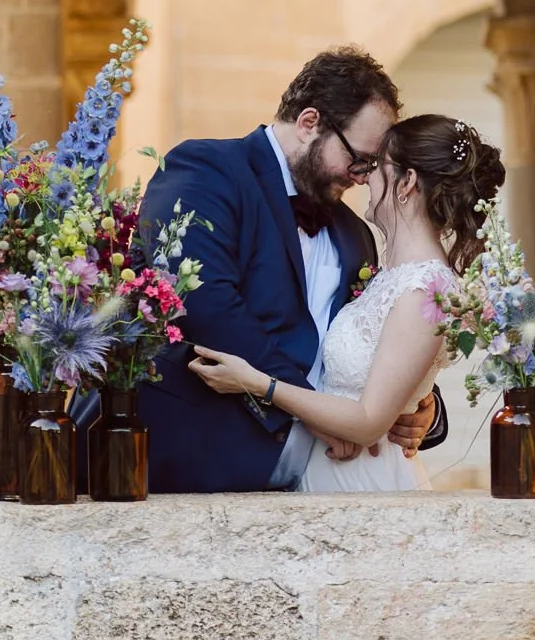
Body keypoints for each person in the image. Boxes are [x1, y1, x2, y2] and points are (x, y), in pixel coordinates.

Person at [107, 49, 450, 493]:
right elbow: (204, 301)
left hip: (333, 471)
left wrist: (420, 404)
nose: (364, 178)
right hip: (199, 462)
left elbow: (373, 337)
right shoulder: (205, 170)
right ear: (310, 123)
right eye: (358, 158)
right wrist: (304, 407)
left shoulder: (354, 233)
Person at [190, 112, 505, 492]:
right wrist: (417, 400)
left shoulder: (425, 288)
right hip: (322, 472)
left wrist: (259, 383)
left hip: (364, 477)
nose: (365, 177)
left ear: (406, 183)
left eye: (376, 166)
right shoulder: (389, 272)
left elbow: (370, 418)